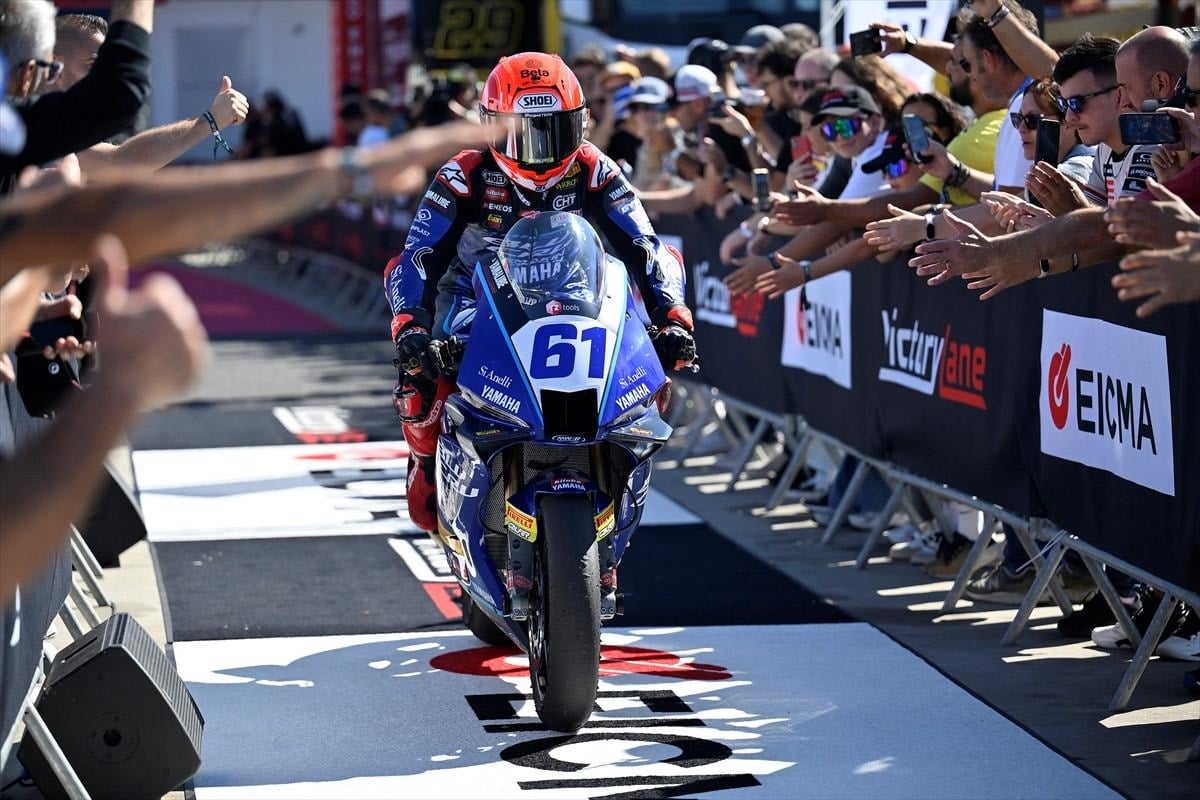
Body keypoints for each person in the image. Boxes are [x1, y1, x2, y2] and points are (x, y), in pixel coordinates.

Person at [382, 52, 696, 533]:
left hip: (574, 296)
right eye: (522, 132)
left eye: (554, 131)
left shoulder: (594, 168)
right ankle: (426, 462)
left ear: (580, 124)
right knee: (423, 374)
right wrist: (411, 325)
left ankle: (614, 484)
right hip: (475, 297)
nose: (539, 151)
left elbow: (645, 247)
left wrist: (673, 316)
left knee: (643, 374)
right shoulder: (463, 172)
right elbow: (419, 254)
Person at [0, 0, 154, 188]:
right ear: (28, 73)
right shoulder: (16, 130)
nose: (50, 78)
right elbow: (120, 94)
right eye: (51, 68)